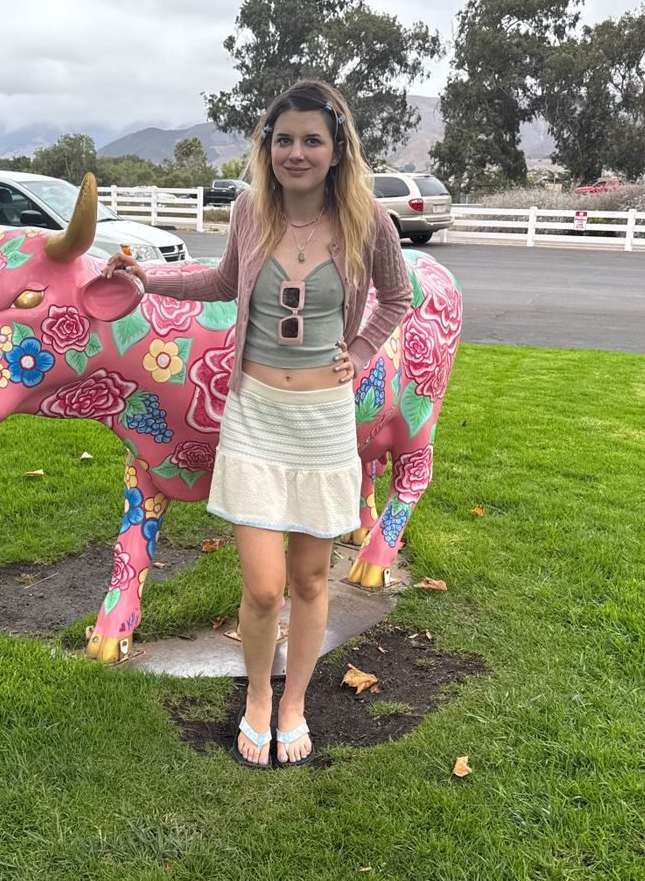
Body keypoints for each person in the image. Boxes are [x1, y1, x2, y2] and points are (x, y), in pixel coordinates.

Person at [101, 79, 412, 768]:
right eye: (284, 139)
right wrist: (148, 278)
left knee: (310, 579)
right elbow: (220, 282)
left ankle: (293, 701)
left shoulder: (368, 222)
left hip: (323, 422)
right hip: (256, 415)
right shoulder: (251, 211)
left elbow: (398, 296)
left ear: (337, 150)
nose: (296, 153)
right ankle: (258, 696)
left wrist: (361, 350)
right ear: (267, 146)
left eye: (312, 140)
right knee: (265, 586)